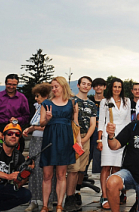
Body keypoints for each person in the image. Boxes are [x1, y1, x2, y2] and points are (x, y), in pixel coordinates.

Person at [39, 76, 82, 212]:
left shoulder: (72, 103)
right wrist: (47, 119)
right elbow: (41, 123)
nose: (54, 89)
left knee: (61, 175)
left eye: (56, 86)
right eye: (52, 87)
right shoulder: (46, 103)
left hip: (66, 141)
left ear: (63, 86)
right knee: (47, 175)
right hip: (50, 140)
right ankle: (45, 205)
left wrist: (79, 142)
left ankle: (59, 205)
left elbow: (75, 124)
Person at [98, 78, 132, 209]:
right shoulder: (104, 102)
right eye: (115, 86)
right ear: (111, 88)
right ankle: (105, 196)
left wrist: (128, 139)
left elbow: (128, 120)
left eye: (119, 87)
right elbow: (101, 121)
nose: (117, 89)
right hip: (108, 135)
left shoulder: (127, 101)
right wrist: (100, 139)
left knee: (117, 168)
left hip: (122, 137)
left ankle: (115, 195)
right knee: (106, 166)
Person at [65, 76, 97, 212]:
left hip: (86, 138)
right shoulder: (71, 101)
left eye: (88, 84)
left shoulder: (91, 104)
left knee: (81, 169)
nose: (85, 86)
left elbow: (93, 124)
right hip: (73, 138)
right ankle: (69, 198)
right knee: (73, 168)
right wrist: (78, 140)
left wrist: (84, 140)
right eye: (83, 83)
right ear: (78, 85)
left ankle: (76, 193)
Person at [22, 83, 56, 212]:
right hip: (35, 140)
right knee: (34, 170)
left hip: (46, 140)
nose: (36, 98)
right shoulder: (38, 107)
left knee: (47, 172)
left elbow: (45, 126)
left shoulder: (50, 107)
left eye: (38, 96)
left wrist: (32, 127)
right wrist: (30, 128)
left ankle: (49, 200)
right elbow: (36, 125)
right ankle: (34, 200)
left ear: (46, 96)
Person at [0, 73, 30, 151]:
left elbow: (26, 117)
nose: (11, 87)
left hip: (14, 129)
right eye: (9, 84)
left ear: (17, 85)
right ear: (5, 83)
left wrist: (17, 120)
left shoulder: (22, 98)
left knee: (18, 152)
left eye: (14, 85)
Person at [91, 78, 106, 175]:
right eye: (96, 85)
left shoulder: (107, 102)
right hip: (88, 134)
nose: (98, 87)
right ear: (93, 88)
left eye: (101, 85)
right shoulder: (89, 101)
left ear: (105, 87)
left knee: (99, 160)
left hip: (101, 134)